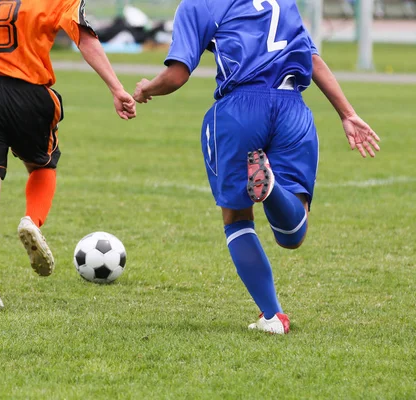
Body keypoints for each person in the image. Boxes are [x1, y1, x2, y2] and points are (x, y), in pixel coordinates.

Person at [133, 0, 380, 334]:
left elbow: (178, 74)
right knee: (294, 235)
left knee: (236, 216)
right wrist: (347, 112)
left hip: (240, 108)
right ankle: (272, 186)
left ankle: (272, 316)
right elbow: (311, 57)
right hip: (293, 107)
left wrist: (148, 88)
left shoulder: (197, 4)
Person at [0, 0, 136, 311]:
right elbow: (85, 37)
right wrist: (116, 88)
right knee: (43, 164)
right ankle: (32, 220)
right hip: (31, 93)